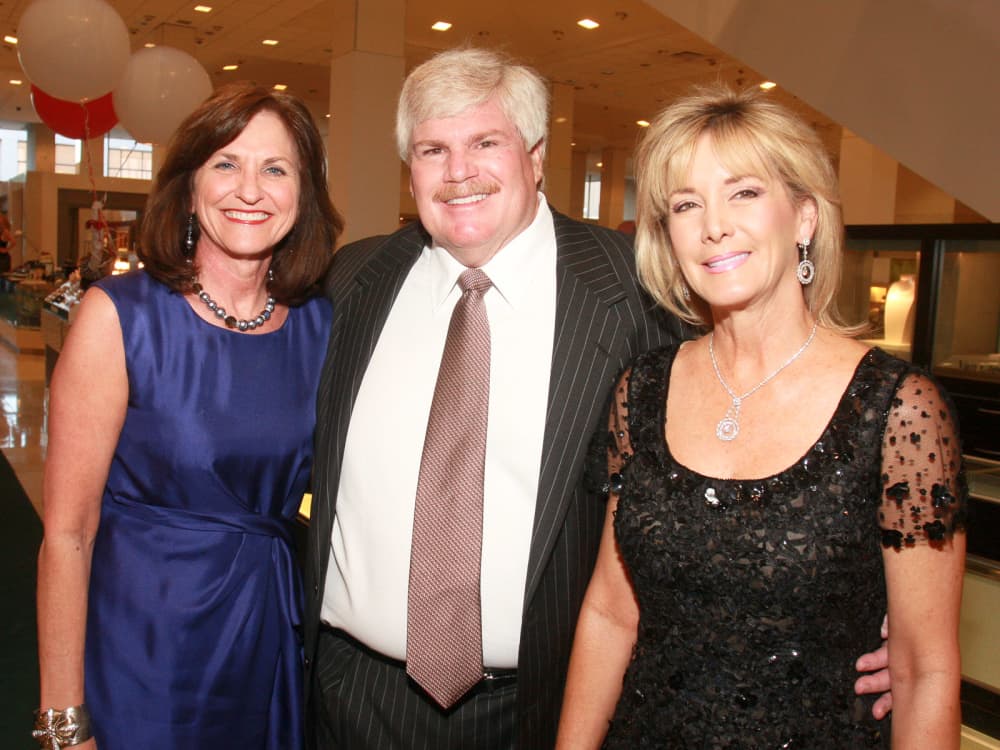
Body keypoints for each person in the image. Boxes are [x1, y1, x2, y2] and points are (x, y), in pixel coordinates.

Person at [304, 50, 892, 749]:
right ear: (411, 170)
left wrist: (866, 613)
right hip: (351, 699)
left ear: (536, 157)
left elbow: (757, 441)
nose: (459, 171)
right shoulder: (352, 280)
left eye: (485, 143)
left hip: (553, 708)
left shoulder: (642, 292)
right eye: (434, 150)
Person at [556, 86, 966, 749]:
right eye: (686, 204)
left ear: (804, 217)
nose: (713, 226)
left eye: (743, 192)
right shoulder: (643, 389)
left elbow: (925, 670)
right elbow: (610, 612)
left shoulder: (897, 411)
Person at [36, 82, 342, 750]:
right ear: (189, 183)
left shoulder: (323, 326)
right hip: (143, 650)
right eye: (226, 163)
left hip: (268, 636)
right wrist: (63, 720)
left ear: (304, 194)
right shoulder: (121, 317)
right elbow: (67, 534)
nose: (250, 190)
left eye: (276, 169)